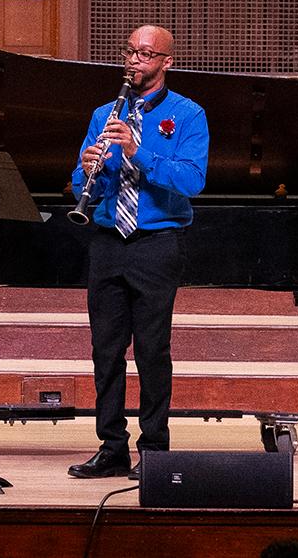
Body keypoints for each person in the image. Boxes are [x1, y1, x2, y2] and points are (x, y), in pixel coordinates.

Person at [67, 25, 210, 479]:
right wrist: (88, 171)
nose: (134, 61)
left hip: (156, 243)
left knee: (151, 349)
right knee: (105, 350)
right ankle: (111, 446)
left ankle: (154, 448)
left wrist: (137, 150)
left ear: (166, 63)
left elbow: (192, 181)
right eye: (130, 52)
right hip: (109, 241)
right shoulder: (103, 113)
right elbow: (81, 182)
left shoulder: (188, 116)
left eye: (145, 55)